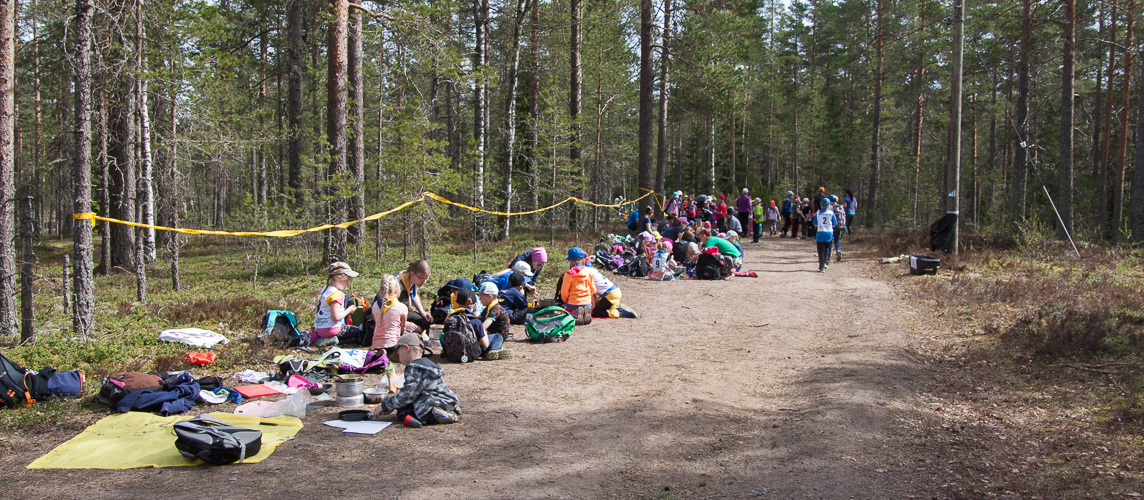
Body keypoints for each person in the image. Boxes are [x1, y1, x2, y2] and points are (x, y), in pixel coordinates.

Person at [372, 332, 460, 427]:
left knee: (403, 413)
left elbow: (407, 395)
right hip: (445, 400)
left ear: (406, 348)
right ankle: (448, 409)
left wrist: (386, 405)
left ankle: (436, 414)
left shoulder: (414, 367)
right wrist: (394, 406)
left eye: (398, 354)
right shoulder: (429, 364)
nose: (399, 359)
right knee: (405, 406)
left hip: (431, 402)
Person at [311, 262, 360, 346]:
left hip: (320, 329)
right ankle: (334, 340)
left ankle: (325, 339)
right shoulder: (336, 294)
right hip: (332, 329)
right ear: (339, 278)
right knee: (360, 333)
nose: (348, 282)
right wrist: (349, 310)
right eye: (347, 280)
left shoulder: (325, 289)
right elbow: (336, 317)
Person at [454, 289, 509, 360]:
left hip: (456, 349)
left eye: (480, 297)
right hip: (472, 348)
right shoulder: (476, 321)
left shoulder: (452, 318)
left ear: (458, 304)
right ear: (475, 306)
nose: (480, 299)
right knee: (497, 336)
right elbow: (484, 339)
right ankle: (494, 349)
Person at [370, 274, 407, 356]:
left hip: (376, 343)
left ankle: (381, 352)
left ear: (380, 290)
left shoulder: (375, 305)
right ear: (397, 290)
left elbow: (376, 322)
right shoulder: (401, 307)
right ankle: (390, 353)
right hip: (392, 343)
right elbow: (403, 327)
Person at [477, 283, 516, 351]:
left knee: (496, 337)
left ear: (490, 296)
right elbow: (479, 319)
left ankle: (494, 350)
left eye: (481, 297)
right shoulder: (487, 308)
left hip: (497, 337)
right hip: (489, 334)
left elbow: (483, 326)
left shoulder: (496, 309)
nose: (479, 299)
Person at [559, 247, 596, 319]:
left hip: (573, 303)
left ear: (570, 260)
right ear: (582, 259)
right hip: (587, 303)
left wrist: (565, 301)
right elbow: (593, 290)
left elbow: (564, 292)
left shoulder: (569, 274)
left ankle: (574, 313)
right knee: (583, 306)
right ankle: (583, 313)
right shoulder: (588, 272)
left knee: (563, 314)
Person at [398, 260, 432, 333]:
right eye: (422, 279)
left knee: (428, 323)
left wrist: (422, 311)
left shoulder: (413, 280)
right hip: (392, 315)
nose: (424, 282)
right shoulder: (397, 284)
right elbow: (387, 309)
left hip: (406, 311)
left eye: (426, 279)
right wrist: (404, 323)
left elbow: (414, 295)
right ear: (412, 274)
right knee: (418, 329)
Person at [814, 198, 839, 272]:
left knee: (820, 250)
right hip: (829, 232)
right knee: (827, 248)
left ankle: (821, 266)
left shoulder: (818, 213)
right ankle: (825, 262)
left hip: (820, 232)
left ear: (821, 205)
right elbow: (834, 224)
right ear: (828, 205)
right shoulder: (831, 213)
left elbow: (815, 224)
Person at [831, 195, 847, 261]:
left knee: (830, 240)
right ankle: (838, 250)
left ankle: (828, 255)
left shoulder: (831, 207)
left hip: (833, 226)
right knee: (836, 240)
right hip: (840, 225)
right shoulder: (841, 206)